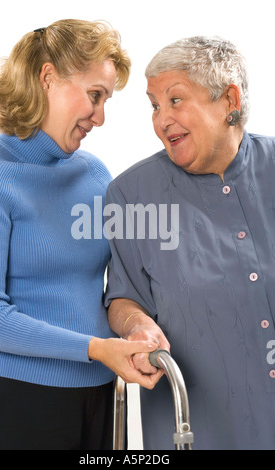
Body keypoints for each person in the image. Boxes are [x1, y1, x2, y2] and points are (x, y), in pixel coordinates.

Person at [0, 19, 159, 451]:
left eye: (106, 100)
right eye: (95, 96)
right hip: (19, 398)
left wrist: (136, 328)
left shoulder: (95, 173)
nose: (100, 116)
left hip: (100, 393)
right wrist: (97, 348)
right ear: (47, 77)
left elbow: (125, 281)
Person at [105, 36, 275, 450]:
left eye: (175, 100)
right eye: (154, 105)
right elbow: (123, 299)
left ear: (228, 99)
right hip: (202, 428)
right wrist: (137, 326)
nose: (162, 119)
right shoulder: (131, 195)